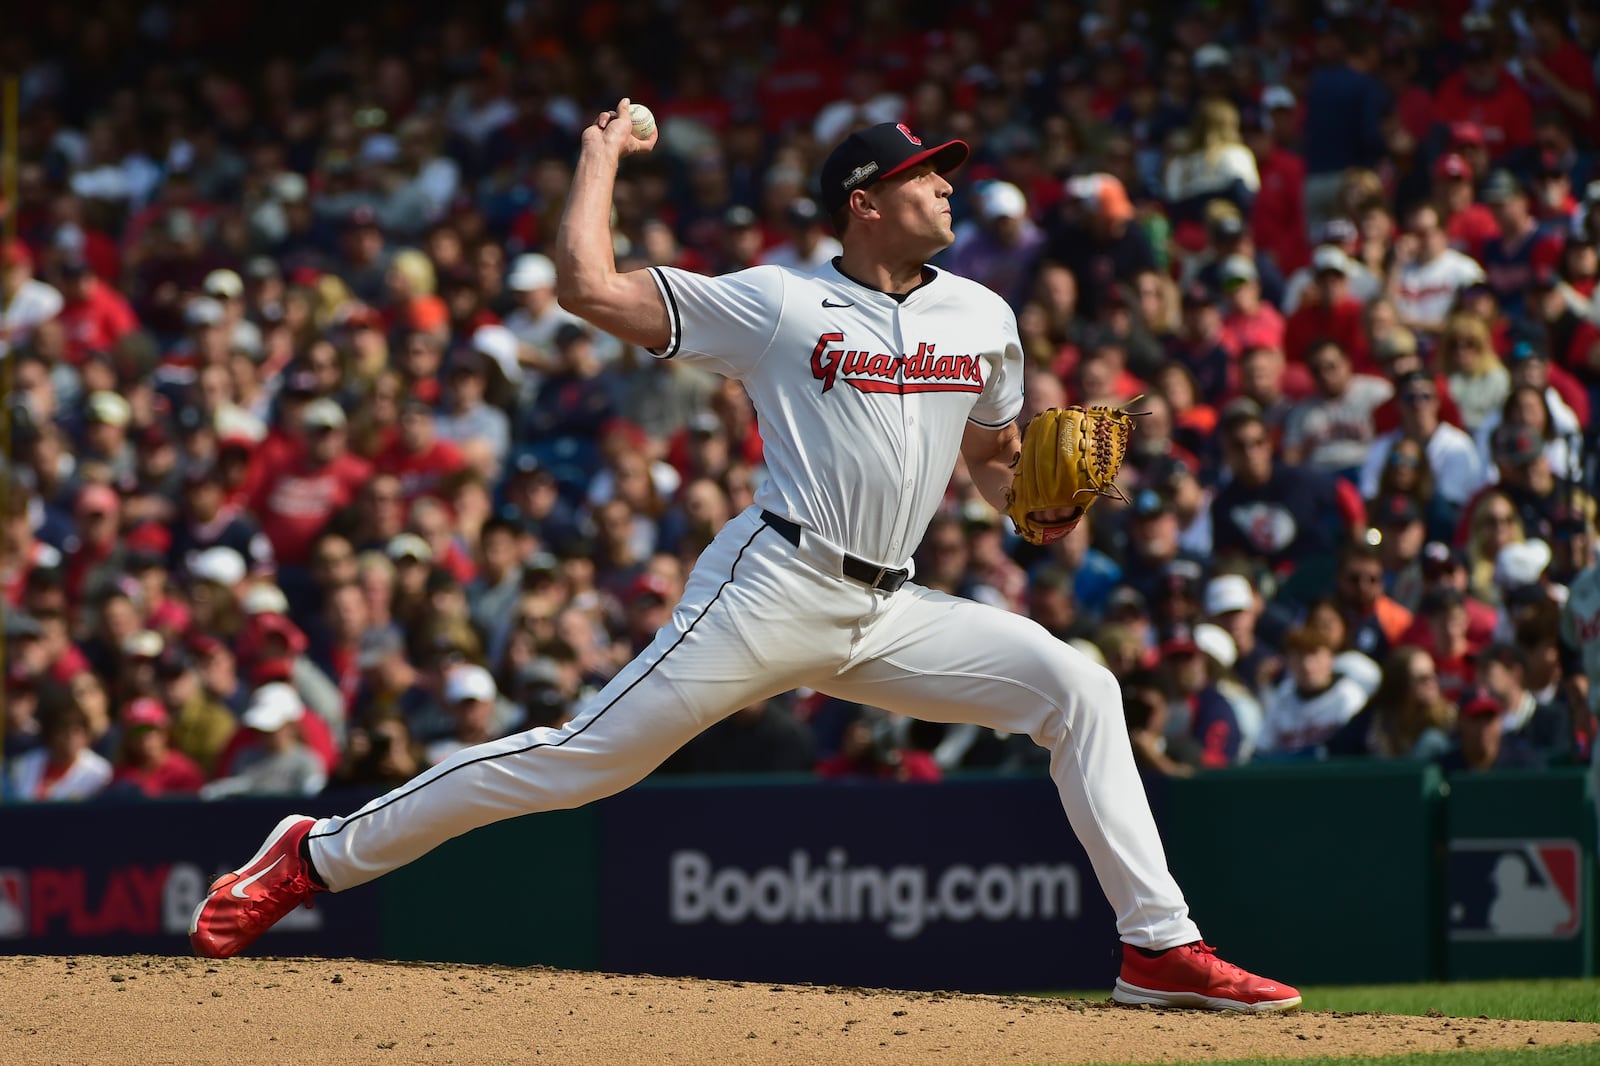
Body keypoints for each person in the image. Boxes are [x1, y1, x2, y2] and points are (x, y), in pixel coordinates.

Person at [190, 111, 1298, 1012]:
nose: (946, 189)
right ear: (863, 202)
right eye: (923, 177)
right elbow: (585, 287)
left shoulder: (986, 315)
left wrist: (1036, 512)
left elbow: (998, 465)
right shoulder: (777, 302)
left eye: (945, 175)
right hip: (774, 583)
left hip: (889, 605)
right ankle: (317, 850)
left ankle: (1157, 946)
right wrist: (598, 156)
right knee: (584, 760)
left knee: (1080, 686)